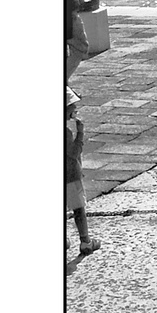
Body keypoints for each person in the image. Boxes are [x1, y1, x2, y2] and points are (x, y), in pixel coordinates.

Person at [65, 87, 100, 255]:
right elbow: (73, 153)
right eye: (72, 106)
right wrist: (80, 133)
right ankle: (85, 241)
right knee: (79, 209)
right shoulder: (65, 133)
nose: (75, 109)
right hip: (70, 176)